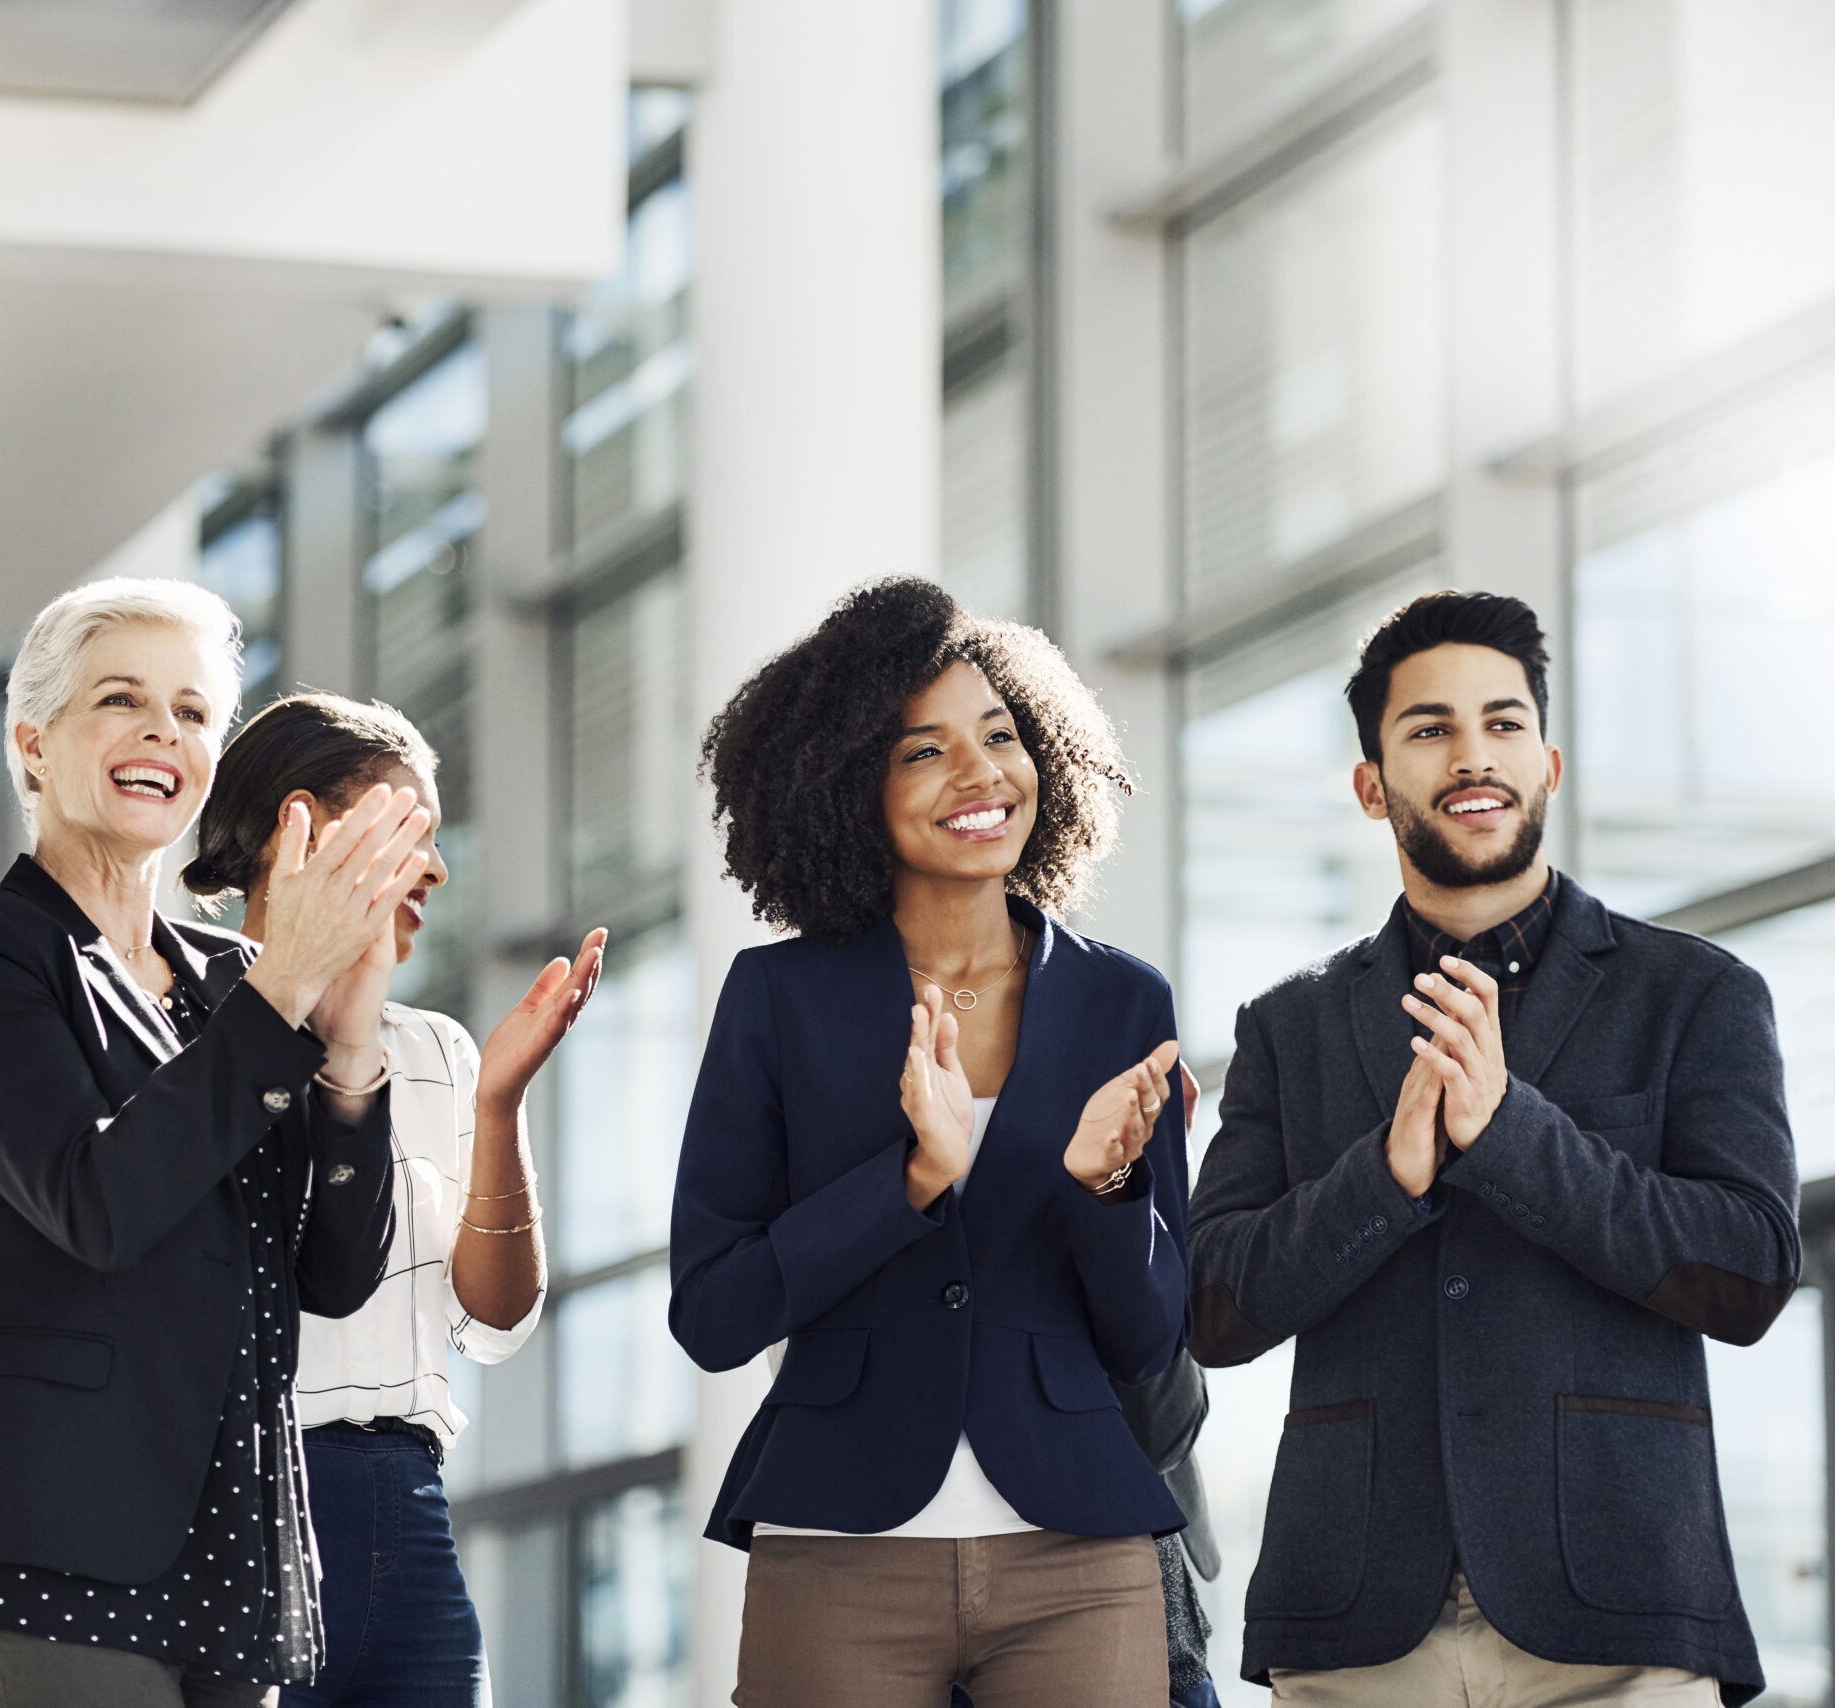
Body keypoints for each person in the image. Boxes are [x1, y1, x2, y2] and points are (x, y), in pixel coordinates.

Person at [1187, 589, 1800, 1707]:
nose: (1474, 755)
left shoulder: (1694, 994)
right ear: (1371, 783)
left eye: (1502, 722)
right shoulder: (1289, 1026)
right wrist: (1385, 1177)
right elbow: (1215, 1305)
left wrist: (1512, 1135)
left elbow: (1752, 1268)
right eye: (1429, 729)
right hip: (1356, 1624)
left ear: (1549, 764)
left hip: (1619, 1613)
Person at [0, 578, 434, 1708]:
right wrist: (285, 993)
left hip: (227, 1574)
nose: (160, 736)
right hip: (29, 1563)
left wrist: (351, 1044)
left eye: (190, 714)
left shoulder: (233, 983)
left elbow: (332, 1271)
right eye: (120, 700)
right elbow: (99, 1200)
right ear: (34, 744)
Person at [670, 577, 1196, 1708]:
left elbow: (1150, 1335)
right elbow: (712, 1314)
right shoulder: (778, 998)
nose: (980, 775)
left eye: (1000, 736)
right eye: (923, 752)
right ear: (846, 787)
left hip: (1080, 1557)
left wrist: (1107, 1188)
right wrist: (909, 1180)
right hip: (838, 1549)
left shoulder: (1123, 1004)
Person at [182, 692, 604, 1708]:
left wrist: (498, 1103)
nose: (438, 869)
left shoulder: (433, 1051)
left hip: (404, 1512)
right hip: (234, 1502)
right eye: (410, 828)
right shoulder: (178, 1029)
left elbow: (494, 1325)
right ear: (300, 827)